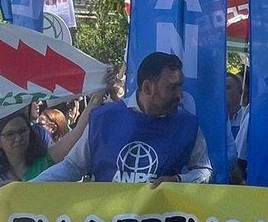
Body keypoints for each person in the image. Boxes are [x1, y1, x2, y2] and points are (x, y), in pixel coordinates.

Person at [33, 52, 211, 184]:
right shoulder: (103, 119)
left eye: (180, 86)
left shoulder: (188, 125)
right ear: (148, 88)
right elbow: (72, 166)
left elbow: (204, 170)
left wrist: (179, 181)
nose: (180, 95)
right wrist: (25, 189)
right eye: (171, 88)